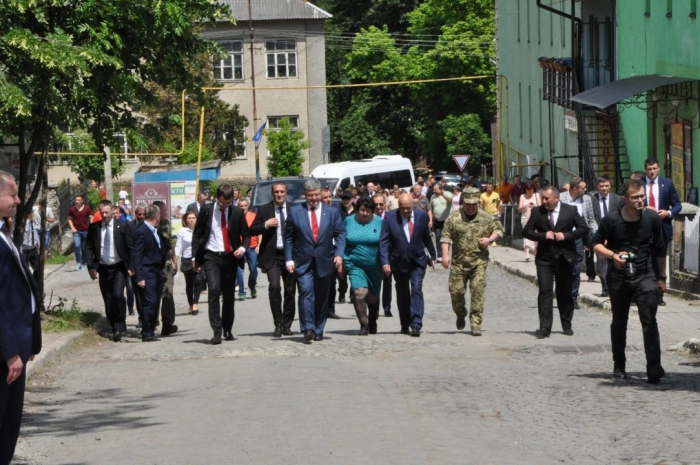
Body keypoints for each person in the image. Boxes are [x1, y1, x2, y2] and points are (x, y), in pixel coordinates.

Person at [592, 179, 667, 384]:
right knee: (619, 322)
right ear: (625, 199)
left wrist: (662, 277)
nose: (640, 200)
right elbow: (595, 244)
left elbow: (660, 249)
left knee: (649, 320)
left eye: (642, 196)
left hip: (645, 274)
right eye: (635, 197)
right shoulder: (612, 220)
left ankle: (654, 366)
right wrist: (612, 255)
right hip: (618, 276)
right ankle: (619, 365)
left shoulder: (652, 218)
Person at [0, 170, 42, 465]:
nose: (18, 200)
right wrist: (10, 351)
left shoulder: (3, 232)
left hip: (17, 347)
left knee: (9, 428)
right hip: (5, 354)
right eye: (12, 194)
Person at [285, 178, 346, 342]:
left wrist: (339, 254)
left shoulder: (332, 212)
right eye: (310, 196)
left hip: (325, 260)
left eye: (316, 195)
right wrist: (289, 260)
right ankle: (308, 328)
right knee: (305, 292)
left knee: (321, 296)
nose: (314, 198)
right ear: (305, 195)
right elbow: (289, 238)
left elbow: (340, 234)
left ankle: (319, 328)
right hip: (302, 261)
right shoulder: (296, 211)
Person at [522, 186, 588, 338]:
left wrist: (566, 236)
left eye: (547, 198)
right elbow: (526, 232)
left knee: (564, 292)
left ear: (556, 198)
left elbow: (583, 229)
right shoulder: (537, 212)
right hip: (545, 259)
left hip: (565, 258)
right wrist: (544, 235)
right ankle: (544, 328)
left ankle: (566, 324)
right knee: (545, 292)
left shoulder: (570, 211)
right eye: (543, 198)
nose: (544, 201)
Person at [441, 187, 504, 336]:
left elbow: (500, 230)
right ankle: (460, 313)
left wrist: (489, 240)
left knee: (477, 292)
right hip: (458, 263)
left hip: (478, 263)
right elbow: (445, 236)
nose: (470, 207)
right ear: (463, 202)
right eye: (467, 204)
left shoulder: (486, 218)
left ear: (478, 203)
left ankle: (476, 322)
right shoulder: (454, 218)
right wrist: (445, 254)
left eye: (473, 204)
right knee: (456, 292)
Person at [192, 184, 250, 344]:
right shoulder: (206, 210)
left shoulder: (237, 212)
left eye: (228, 203)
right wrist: (195, 258)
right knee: (214, 289)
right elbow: (197, 234)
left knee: (229, 295)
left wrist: (243, 249)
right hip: (211, 255)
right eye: (222, 203)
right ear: (217, 198)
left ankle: (227, 329)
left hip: (230, 256)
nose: (225, 206)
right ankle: (216, 331)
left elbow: (246, 235)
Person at [379, 193, 436, 337]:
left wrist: (433, 254)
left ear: (413, 205)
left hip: (417, 259)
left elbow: (426, 236)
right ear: (399, 206)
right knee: (402, 292)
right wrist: (385, 262)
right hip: (398, 261)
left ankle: (416, 324)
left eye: (408, 208)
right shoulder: (390, 217)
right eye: (402, 208)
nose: (405, 211)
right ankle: (404, 323)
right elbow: (384, 241)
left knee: (416, 287)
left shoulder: (421, 215)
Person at [249, 182, 296, 338]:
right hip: (272, 255)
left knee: (290, 291)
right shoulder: (264, 209)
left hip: (289, 255)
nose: (279, 194)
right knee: (274, 287)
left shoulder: (294, 208)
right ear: (272, 193)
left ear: (286, 192)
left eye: (282, 191)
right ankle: (277, 323)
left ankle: (287, 324)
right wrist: (265, 224)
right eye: (276, 192)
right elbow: (252, 229)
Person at [85, 200, 132, 342]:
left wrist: (131, 267)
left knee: (118, 295)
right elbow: (88, 248)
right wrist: (91, 267)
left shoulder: (122, 226)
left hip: (118, 267)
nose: (105, 215)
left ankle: (119, 325)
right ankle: (112, 325)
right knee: (108, 298)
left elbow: (130, 247)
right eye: (102, 213)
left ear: (112, 211)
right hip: (103, 267)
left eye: (107, 212)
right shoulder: (94, 228)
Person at [641, 158, 681, 306]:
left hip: (662, 228)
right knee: (645, 260)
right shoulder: (639, 184)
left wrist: (668, 213)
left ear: (659, 169)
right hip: (643, 228)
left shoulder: (667, 184)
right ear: (645, 169)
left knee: (660, 261)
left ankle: (659, 295)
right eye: (649, 169)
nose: (652, 172)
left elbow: (677, 205)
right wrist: (644, 209)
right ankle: (644, 293)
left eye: (654, 169)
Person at [344, 196, 384, 335]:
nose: (365, 213)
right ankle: (364, 325)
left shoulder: (380, 222)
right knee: (359, 293)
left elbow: (385, 243)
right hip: (355, 263)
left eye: (368, 211)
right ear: (357, 209)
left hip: (375, 265)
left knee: (373, 298)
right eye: (362, 210)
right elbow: (341, 240)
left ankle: (372, 320)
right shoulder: (348, 221)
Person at [559, 177, 598, 309]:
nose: (585, 190)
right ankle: (563, 295)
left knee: (576, 269)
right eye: (583, 188)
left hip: (579, 238)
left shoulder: (586, 199)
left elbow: (591, 219)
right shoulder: (561, 198)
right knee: (564, 269)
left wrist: (598, 234)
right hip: (564, 237)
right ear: (575, 189)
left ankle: (573, 297)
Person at [132, 205, 167, 342]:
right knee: (149, 302)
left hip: (156, 271)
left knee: (156, 302)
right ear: (157, 217)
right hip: (147, 272)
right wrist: (139, 276)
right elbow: (137, 255)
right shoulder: (142, 231)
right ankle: (146, 332)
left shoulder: (153, 230)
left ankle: (151, 330)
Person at [591, 176, 623, 297]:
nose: (604, 188)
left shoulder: (617, 199)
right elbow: (590, 217)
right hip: (599, 234)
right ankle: (605, 287)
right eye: (601, 186)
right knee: (601, 261)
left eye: (606, 186)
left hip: (614, 235)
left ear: (610, 186)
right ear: (597, 187)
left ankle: (614, 285)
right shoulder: (592, 199)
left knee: (614, 261)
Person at [152, 201, 178, 338]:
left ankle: (167, 324)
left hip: (167, 264)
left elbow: (170, 246)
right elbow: (169, 242)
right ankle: (152, 322)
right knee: (155, 295)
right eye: (163, 211)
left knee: (168, 294)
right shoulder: (152, 226)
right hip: (156, 265)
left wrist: (174, 261)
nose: (166, 213)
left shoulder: (166, 223)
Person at [175, 210, 203, 315]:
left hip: (198, 258)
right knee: (189, 283)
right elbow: (178, 245)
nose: (191, 220)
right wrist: (175, 259)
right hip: (186, 258)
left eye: (193, 218)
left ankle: (195, 302)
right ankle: (190, 303)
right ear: (186, 220)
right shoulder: (182, 231)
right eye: (189, 218)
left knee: (198, 279)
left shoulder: (201, 230)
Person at [320, 188, 342, 320]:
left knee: (332, 282)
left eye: (330, 197)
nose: (329, 200)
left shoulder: (335, 212)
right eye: (325, 197)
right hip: (321, 250)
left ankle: (330, 308)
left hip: (333, 250)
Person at [235, 198, 260, 301]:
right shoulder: (234, 216)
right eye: (241, 206)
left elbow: (260, 231)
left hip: (252, 246)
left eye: (245, 206)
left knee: (254, 270)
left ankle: (252, 286)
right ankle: (241, 291)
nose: (243, 208)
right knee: (239, 271)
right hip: (239, 247)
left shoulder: (253, 216)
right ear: (238, 207)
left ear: (248, 206)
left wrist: (259, 245)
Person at [374, 194, 393, 317]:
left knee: (387, 281)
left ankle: (387, 307)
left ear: (385, 204)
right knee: (375, 283)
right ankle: (374, 308)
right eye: (376, 204)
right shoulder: (369, 217)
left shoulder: (390, 217)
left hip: (387, 254)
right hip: (374, 254)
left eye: (381, 204)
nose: (378, 206)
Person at [127, 205, 146, 321]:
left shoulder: (149, 226)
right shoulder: (130, 226)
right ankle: (141, 317)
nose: (142, 216)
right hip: (135, 264)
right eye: (139, 214)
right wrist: (131, 266)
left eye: (143, 214)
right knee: (138, 293)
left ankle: (150, 317)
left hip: (147, 264)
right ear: (135, 214)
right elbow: (129, 247)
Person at [68, 193, 92, 271]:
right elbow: (69, 219)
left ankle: (83, 263)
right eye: (76, 200)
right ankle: (78, 262)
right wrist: (72, 228)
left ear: (82, 201)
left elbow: (90, 217)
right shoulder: (72, 209)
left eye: (79, 200)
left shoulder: (87, 209)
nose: (77, 201)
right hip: (76, 231)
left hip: (85, 230)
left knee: (84, 248)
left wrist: (91, 227)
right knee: (77, 246)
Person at [430, 183, 453, 260]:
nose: (433, 190)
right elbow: (431, 208)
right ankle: (440, 255)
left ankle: (446, 254)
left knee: (447, 238)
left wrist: (443, 194)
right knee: (438, 237)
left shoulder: (448, 193)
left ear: (440, 189)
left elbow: (450, 200)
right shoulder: (433, 196)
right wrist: (431, 220)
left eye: (435, 189)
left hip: (447, 221)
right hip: (437, 221)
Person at [518, 183, 540, 262]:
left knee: (536, 235)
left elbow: (540, 206)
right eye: (527, 190)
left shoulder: (537, 195)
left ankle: (535, 252)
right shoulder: (522, 196)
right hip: (525, 218)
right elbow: (519, 209)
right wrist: (526, 205)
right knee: (527, 235)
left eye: (531, 189)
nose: (529, 191)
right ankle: (527, 253)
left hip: (536, 218)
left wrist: (534, 206)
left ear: (533, 189)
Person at [21, 210, 41, 281]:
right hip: (25, 250)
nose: (33, 214)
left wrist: (38, 245)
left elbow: (35, 234)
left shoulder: (32, 222)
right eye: (32, 213)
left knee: (38, 268)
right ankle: (29, 284)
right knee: (25, 270)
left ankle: (34, 284)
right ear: (28, 214)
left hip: (33, 249)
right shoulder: (23, 224)